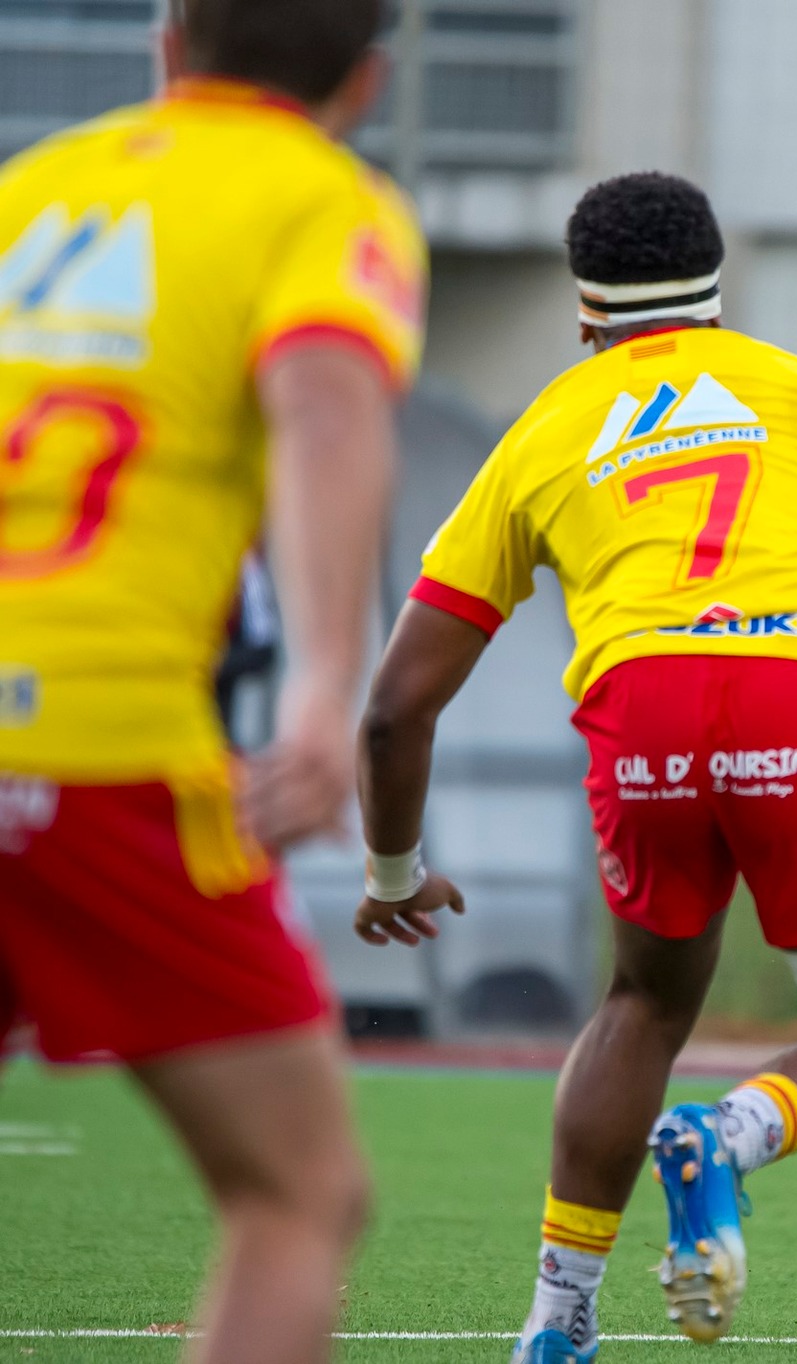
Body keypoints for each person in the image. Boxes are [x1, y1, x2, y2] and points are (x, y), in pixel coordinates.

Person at [349, 173, 797, 1364]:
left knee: (643, 1000)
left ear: (584, 309)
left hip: (641, 707)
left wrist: (393, 870)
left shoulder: (541, 429)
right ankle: (731, 1132)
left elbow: (393, 709)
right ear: (715, 283)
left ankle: (557, 1316)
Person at [0, 2, 422, 1359]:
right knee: (299, 1190)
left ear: (166, 48)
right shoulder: (321, 200)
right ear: (367, 82)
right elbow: (323, 402)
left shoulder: (32, 189)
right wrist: (319, 692)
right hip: (90, 740)